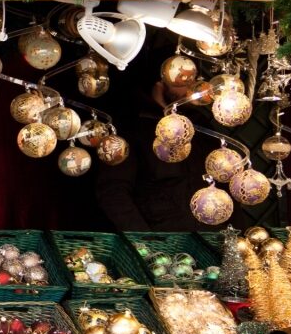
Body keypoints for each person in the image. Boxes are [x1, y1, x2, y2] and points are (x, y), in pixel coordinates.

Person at [95, 75, 222, 231]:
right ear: (160, 83)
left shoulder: (201, 128)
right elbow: (114, 192)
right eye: (183, 80)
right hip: (163, 242)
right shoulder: (134, 127)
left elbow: (224, 183)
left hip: (209, 242)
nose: (192, 88)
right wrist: (147, 244)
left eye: (195, 79)